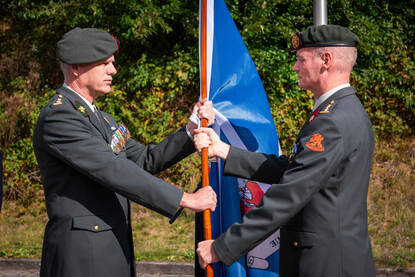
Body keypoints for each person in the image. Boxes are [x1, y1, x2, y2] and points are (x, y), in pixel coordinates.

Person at [33, 27, 217, 277]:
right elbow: (112, 169)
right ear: (76, 67)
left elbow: (145, 159)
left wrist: (190, 128)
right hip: (81, 256)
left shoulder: (102, 119)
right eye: (105, 64)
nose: (113, 71)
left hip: (110, 247)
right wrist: (184, 198)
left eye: (112, 63)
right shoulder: (59, 117)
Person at [194, 25, 376, 277]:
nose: (294, 67)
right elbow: (292, 170)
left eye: (301, 60)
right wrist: (224, 150)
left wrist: (222, 246)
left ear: (326, 60)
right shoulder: (343, 111)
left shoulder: (331, 121)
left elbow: (289, 194)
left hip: (326, 265)